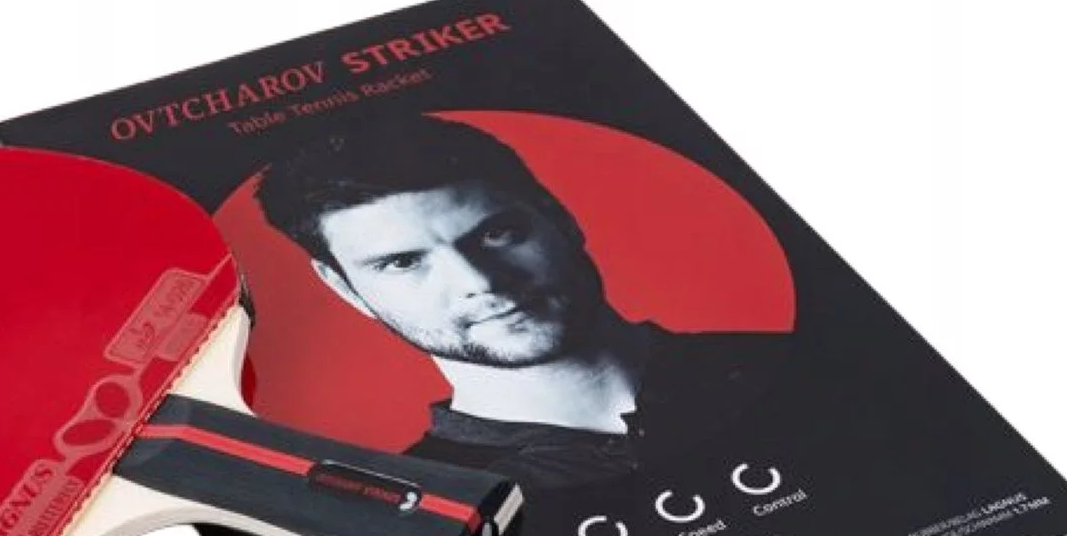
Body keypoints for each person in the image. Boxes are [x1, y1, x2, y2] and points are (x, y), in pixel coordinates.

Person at [254, 115, 784, 489]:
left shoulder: (797, 361)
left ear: (560, 218)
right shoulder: (423, 511)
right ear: (346, 289)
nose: (479, 281)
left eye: (496, 234)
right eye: (404, 262)